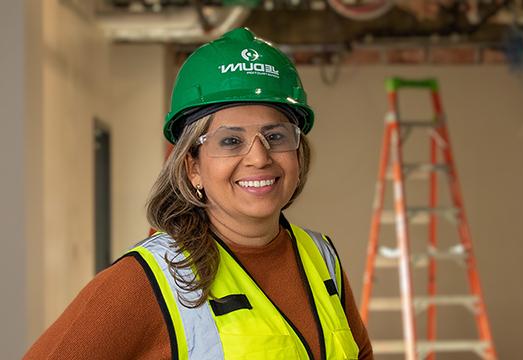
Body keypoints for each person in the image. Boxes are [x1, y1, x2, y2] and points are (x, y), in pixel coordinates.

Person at [24, 27, 372, 359]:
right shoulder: (149, 279)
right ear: (193, 166)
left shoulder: (320, 258)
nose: (259, 157)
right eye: (231, 141)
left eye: (276, 136)